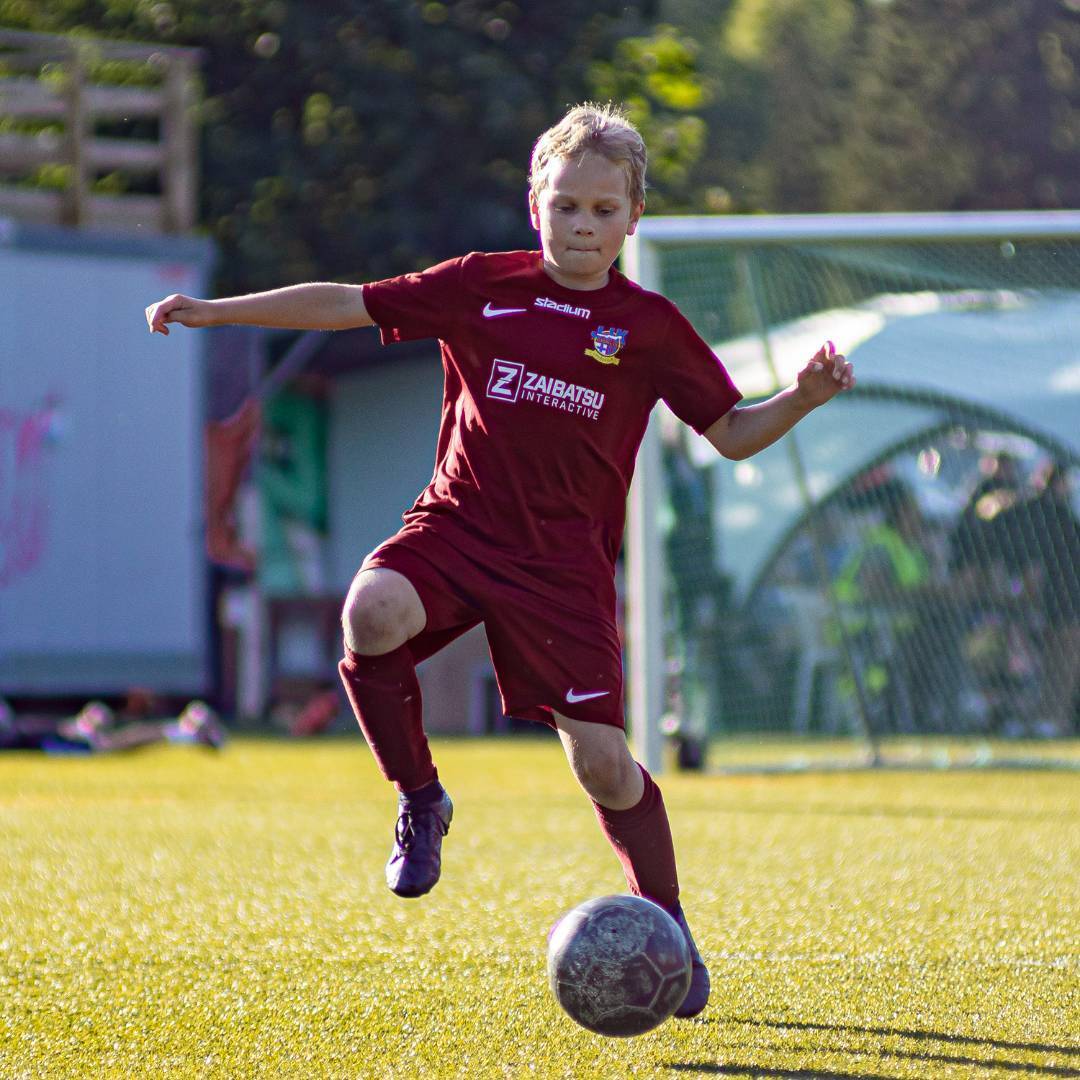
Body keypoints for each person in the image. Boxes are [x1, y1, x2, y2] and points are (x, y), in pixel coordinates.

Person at [145, 103, 854, 1018]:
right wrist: (216, 313)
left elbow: (731, 433)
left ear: (633, 216)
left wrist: (800, 396)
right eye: (566, 206)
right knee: (371, 611)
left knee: (603, 764)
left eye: (603, 209)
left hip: (563, 572)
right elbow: (348, 303)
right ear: (535, 205)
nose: (583, 225)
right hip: (459, 526)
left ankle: (667, 930)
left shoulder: (651, 328)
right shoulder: (482, 285)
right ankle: (420, 798)